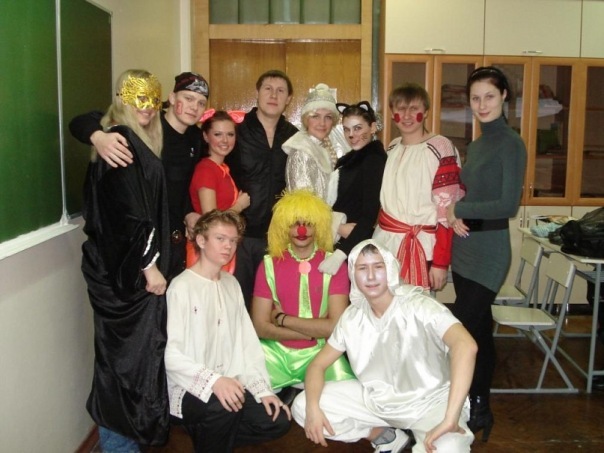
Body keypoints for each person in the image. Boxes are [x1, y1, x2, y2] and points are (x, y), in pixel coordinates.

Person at [292, 239, 477, 453]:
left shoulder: (420, 305)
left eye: (378, 267)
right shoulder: (352, 317)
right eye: (362, 268)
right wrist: (313, 408)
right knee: (303, 406)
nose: (371, 276)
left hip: (431, 405)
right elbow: (317, 366)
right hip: (378, 403)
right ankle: (385, 437)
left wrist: (451, 418)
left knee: (449, 448)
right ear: (353, 274)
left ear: (390, 269)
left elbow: (466, 346)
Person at [81, 69, 170, 450]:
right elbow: (131, 215)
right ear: (121, 99)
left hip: (121, 274)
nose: (146, 106)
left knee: (127, 364)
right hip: (126, 280)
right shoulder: (121, 140)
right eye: (137, 98)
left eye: (152, 99)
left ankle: (123, 443)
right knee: (126, 366)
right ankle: (119, 445)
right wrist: (149, 268)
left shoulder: (127, 139)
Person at [164, 210, 292, 452]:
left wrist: (263, 391)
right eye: (220, 238)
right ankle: (211, 432)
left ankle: (208, 433)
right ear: (201, 240)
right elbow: (171, 355)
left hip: (230, 381)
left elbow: (247, 343)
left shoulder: (231, 283)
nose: (228, 246)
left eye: (233, 241)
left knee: (277, 420)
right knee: (225, 407)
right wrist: (214, 381)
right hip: (189, 385)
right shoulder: (181, 287)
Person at [446, 66, 527, 441]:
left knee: (459, 328)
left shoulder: (511, 143)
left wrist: (459, 210)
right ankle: (479, 406)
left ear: (504, 96)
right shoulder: (477, 145)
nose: (482, 105)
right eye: (475, 98)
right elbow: (474, 194)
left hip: (490, 252)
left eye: (489, 96)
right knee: (479, 330)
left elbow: (507, 205)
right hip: (464, 249)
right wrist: (455, 209)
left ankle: (457, 404)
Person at [70, 71, 209, 281]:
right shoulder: (142, 125)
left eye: (201, 103)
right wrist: (98, 136)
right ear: (172, 98)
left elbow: (179, 187)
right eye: (188, 98)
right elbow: (83, 121)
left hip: (171, 238)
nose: (194, 107)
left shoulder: (194, 138)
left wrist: (188, 213)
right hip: (135, 242)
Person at [251, 190, 355, 399]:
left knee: (350, 398)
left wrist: (282, 319)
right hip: (274, 355)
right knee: (249, 394)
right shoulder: (269, 264)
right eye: (294, 223)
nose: (301, 230)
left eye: (308, 223)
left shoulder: (335, 265)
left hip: (322, 355)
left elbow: (335, 328)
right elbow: (260, 327)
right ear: (284, 226)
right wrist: (310, 333)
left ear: (318, 225)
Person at [372, 83, 465, 292]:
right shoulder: (392, 147)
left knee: (418, 308)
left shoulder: (441, 147)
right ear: (392, 113)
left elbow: (447, 210)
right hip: (386, 243)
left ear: (426, 112)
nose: (406, 115)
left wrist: (441, 262)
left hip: (423, 247)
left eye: (414, 109)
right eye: (401, 109)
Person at [225, 69, 299, 308]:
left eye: (280, 91)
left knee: (276, 303)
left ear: (289, 99)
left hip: (281, 235)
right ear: (257, 93)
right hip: (241, 235)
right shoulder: (236, 133)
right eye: (268, 89)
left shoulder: (295, 138)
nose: (273, 95)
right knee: (238, 302)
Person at [319, 101, 387, 275]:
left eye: (357, 128)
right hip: (342, 241)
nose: (351, 135)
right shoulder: (350, 158)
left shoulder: (373, 159)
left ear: (372, 128)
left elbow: (369, 215)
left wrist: (340, 255)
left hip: (356, 248)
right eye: (346, 129)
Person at [186, 110, 250, 268]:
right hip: (208, 251)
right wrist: (239, 206)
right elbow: (212, 221)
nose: (225, 140)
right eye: (218, 134)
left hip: (221, 247)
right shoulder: (206, 169)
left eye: (230, 134)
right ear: (206, 136)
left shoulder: (222, 168)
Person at [282, 83, 341, 202]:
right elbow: (304, 205)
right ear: (306, 119)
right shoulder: (302, 152)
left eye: (328, 117)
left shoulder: (325, 147)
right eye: (315, 116)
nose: (322, 123)